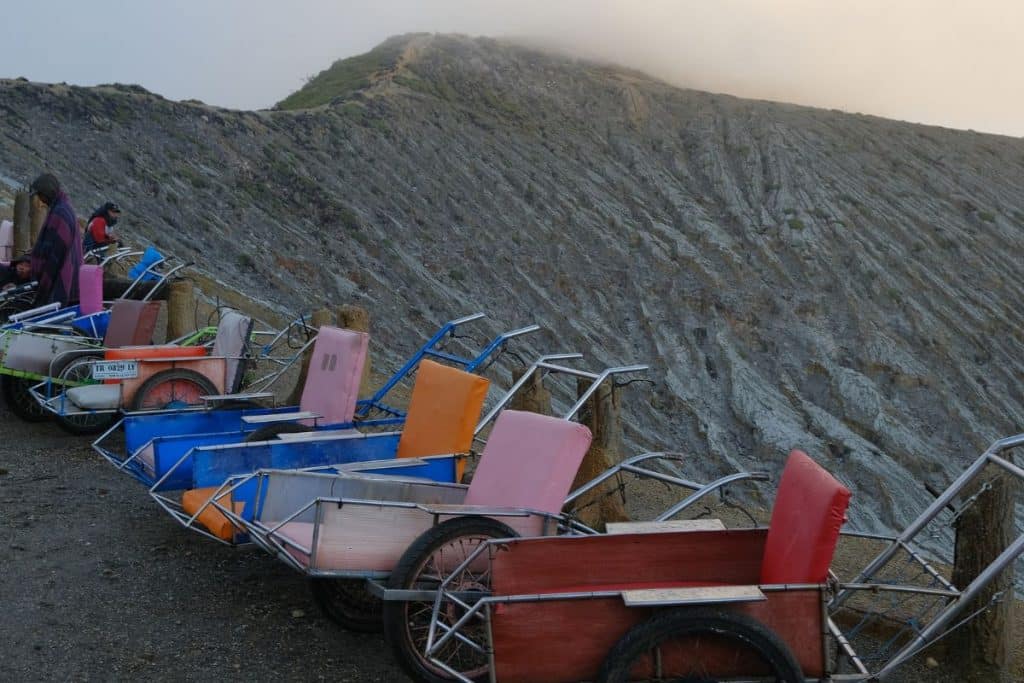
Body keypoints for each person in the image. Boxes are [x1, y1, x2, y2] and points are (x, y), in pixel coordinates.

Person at [28, 172, 83, 306]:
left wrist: (38, 272)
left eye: (40, 196)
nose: (41, 200)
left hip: (60, 276)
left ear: (46, 193)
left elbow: (53, 252)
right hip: (72, 277)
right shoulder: (64, 208)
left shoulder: (59, 213)